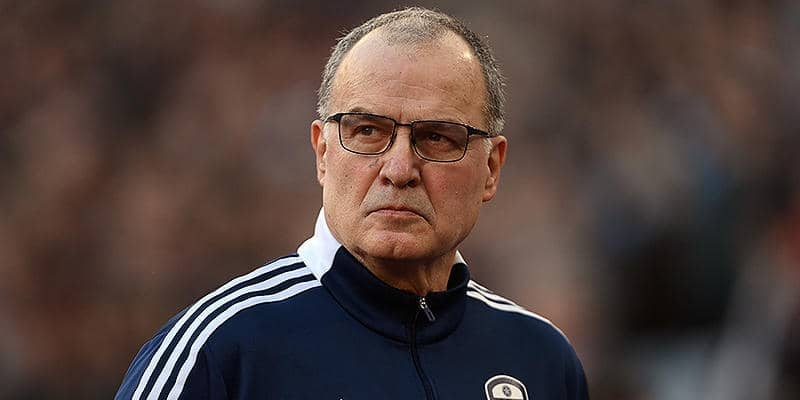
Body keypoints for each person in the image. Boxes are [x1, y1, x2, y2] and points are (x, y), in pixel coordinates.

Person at [115, 7, 588, 400]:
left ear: (491, 168)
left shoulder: (542, 361)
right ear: (323, 153)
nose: (399, 169)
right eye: (367, 131)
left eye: (437, 137)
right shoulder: (219, 353)